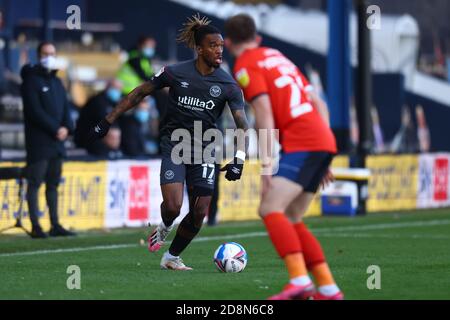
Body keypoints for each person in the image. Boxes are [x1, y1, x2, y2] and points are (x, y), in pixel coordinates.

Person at [90, 14, 249, 270]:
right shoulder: (175, 73)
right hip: (175, 146)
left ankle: (172, 257)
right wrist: (108, 120)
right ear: (199, 48)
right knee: (174, 207)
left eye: (221, 46)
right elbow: (140, 92)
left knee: (199, 212)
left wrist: (239, 160)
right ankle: (165, 225)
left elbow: (243, 125)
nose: (219, 51)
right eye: (213, 46)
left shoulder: (228, 85)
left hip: (205, 150)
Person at [224, 14, 343, 300]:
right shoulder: (278, 56)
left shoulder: (245, 65)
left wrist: (266, 167)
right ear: (258, 38)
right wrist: (324, 150)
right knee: (291, 216)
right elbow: (318, 103)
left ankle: (299, 280)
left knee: (269, 208)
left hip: (305, 142)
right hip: (320, 139)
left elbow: (263, 113)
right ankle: (327, 289)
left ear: (228, 43)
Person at [20, 41, 76, 238]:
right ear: (38, 55)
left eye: (52, 53)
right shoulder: (31, 81)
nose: (49, 57)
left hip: (57, 143)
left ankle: (55, 224)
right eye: (45, 53)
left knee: (53, 184)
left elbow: (66, 109)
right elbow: (34, 111)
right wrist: (56, 128)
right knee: (34, 182)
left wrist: (67, 128)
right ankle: (36, 226)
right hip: (39, 143)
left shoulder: (57, 82)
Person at [75, 79, 124, 159]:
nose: (118, 91)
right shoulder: (98, 101)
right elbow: (104, 122)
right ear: (107, 87)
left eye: (119, 89)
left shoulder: (113, 102)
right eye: (115, 88)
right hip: (90, 140)